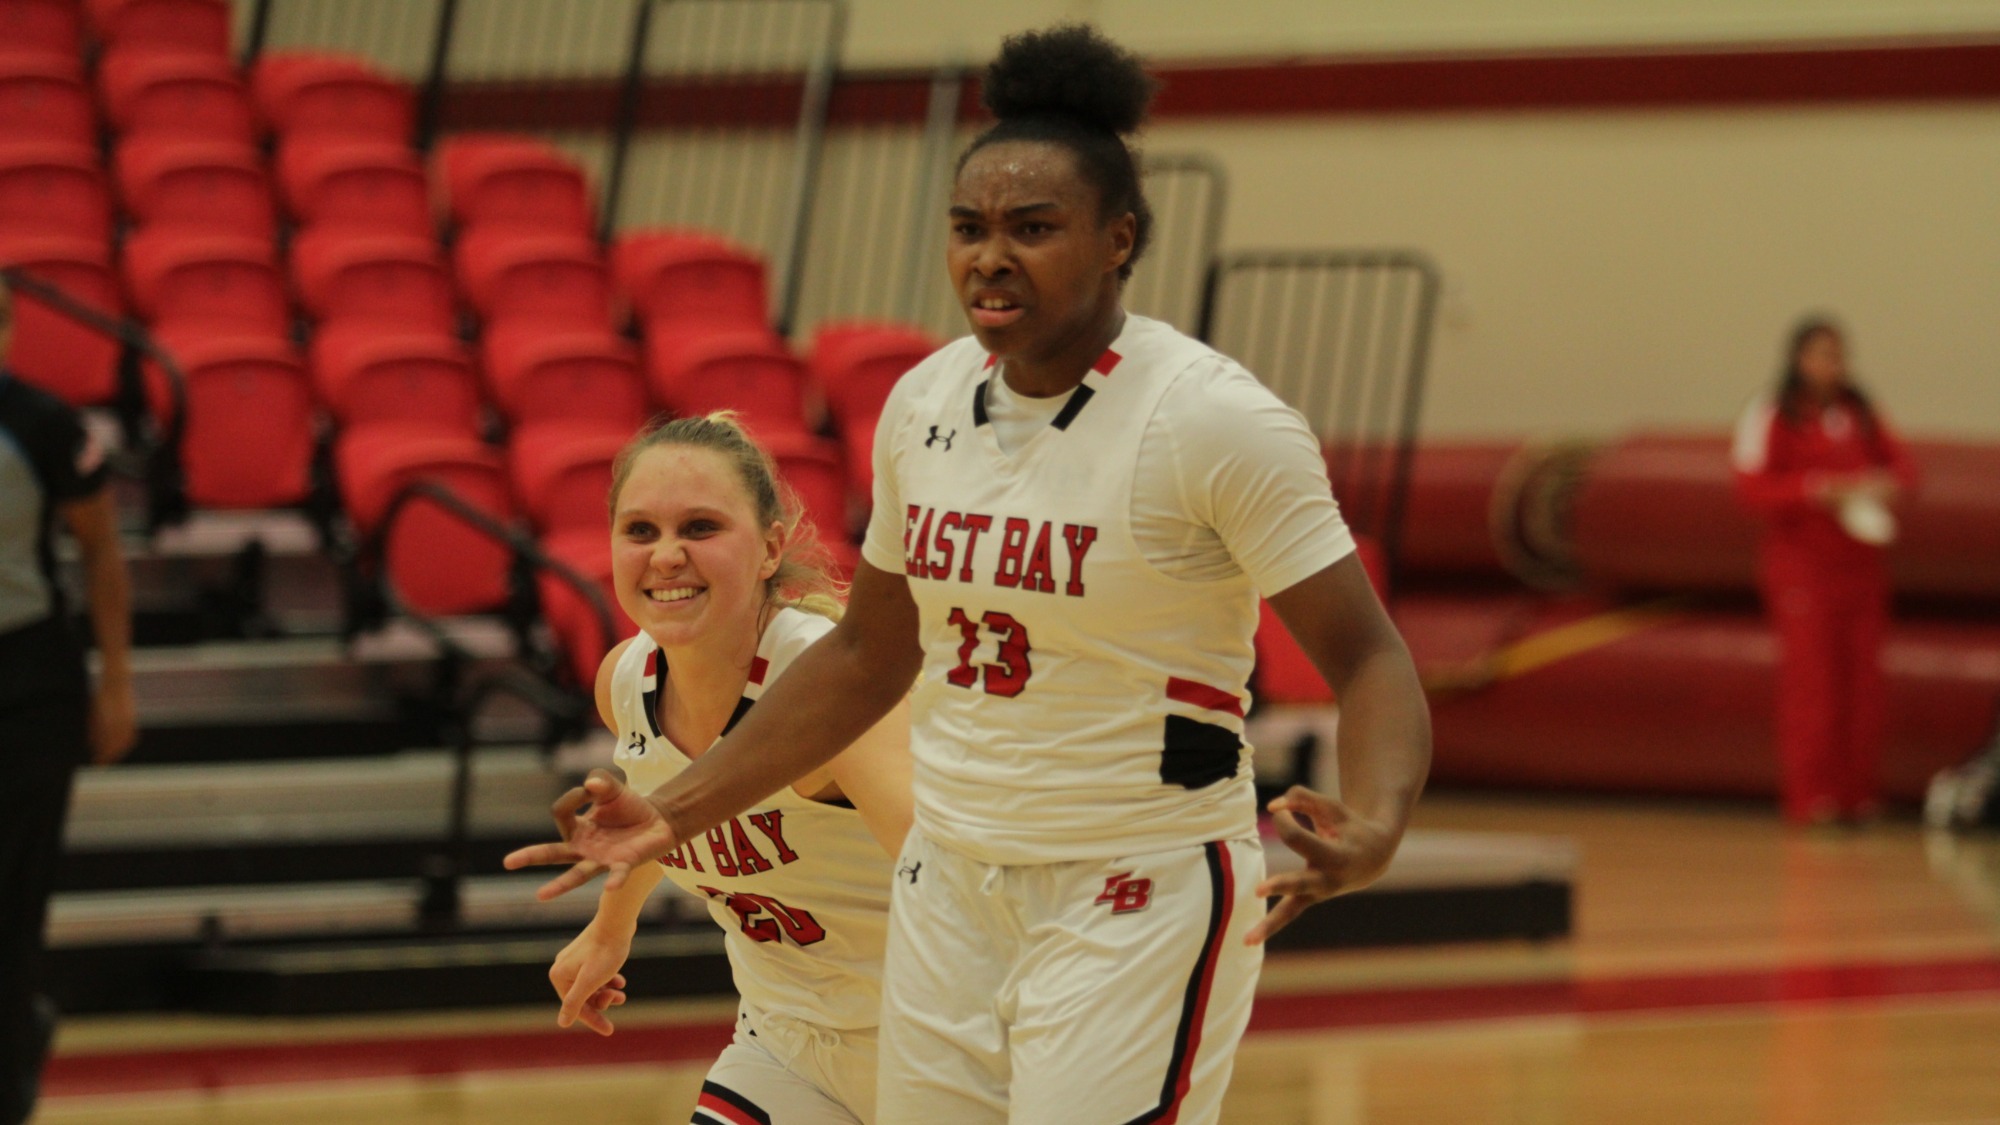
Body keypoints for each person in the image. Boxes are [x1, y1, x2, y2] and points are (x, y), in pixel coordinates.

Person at [509, 24, 1431, 1124]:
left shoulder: (1211, 421)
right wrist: (672, 814)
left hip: (1132, 878)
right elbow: (866, 653)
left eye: (1031, 229)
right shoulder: (925, 403)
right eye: (968, 228)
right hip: (947, 884)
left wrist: (1376, 820)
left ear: (1114, 240)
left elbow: (1368, 653)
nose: (990, 257)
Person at [544, 413, 913, 1124]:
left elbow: (953, 875)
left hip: (940, 1047)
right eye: (641, 530)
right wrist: (611, 926)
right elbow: (665, 809)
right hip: (787, 1044)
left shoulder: (829, 687)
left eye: (701, 528)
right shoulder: (627, 681)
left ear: (772, 547)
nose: (667, 555)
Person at [0, 279, 137, 1125]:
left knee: (12, 903)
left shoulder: (47, 426)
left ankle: (9, 1076)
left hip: (26, 685)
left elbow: (102, 556)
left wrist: (115, 682)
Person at [1733, 316, 1916, 827]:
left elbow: (1906, 470)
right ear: (1797, 359)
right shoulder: (1772, 413)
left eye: (1838, 355)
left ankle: (1858, 795)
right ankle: (1812, 799)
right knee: (1812, 686)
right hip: (1802, 568)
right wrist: (1815, 488)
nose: (1830, 365)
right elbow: (1751, 489)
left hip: (1860, 565)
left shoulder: (1860, 411)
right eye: (1819, 354)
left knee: (1863, 686)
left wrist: (1882, 484)